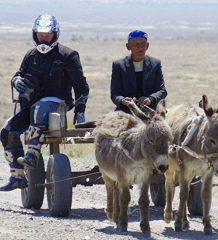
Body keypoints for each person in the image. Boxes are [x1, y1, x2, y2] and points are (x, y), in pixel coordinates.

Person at [0, 15, 89, 191]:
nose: (44, 39)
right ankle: (18, 177)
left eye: (47, 35)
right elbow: (20, 73)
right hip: (32, 105)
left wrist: (80, 110)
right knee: (7, 131)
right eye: (41, 35)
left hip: (58, 103)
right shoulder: (30, 55)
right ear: (34, 34)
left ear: (55, 34)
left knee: (40, 107)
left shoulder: (68, 55)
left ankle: (32, 155)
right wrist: (16, 80)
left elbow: (81, 85)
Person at [111, 30, 167, 114]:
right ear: (128, 46)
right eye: (136, 44)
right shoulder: (119, 65)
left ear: (147, 45)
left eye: (143, 44)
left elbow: (162, 91)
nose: (140, 48)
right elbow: (115, 94)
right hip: (126, 112)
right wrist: (123, 101)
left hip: (152, 111)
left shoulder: (155, 63)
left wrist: (150, 99)